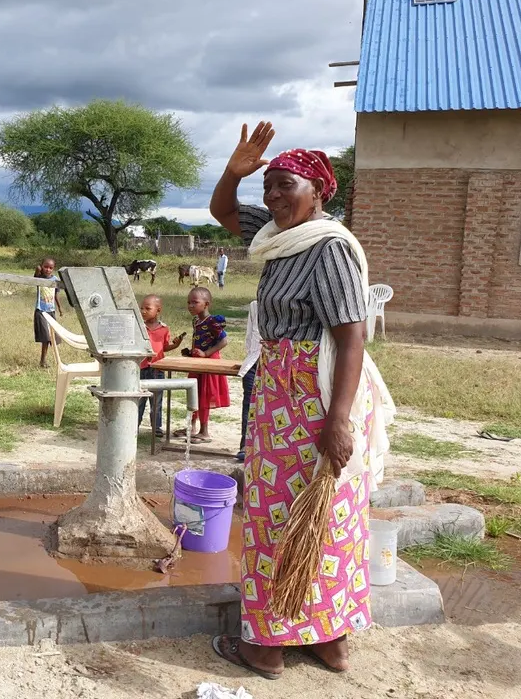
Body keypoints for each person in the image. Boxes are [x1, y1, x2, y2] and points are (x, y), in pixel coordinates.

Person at [207, 122, 394, 680]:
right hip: (279, 396)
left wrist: (339, 421)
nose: (272, 197)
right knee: (307, 514)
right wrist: (234, 172)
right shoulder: (278, 236)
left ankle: (267, 648)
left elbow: (351, 338)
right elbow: (223, 211)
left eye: (285, 185)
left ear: (317, 191)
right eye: (268, 187)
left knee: (302, 514)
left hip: (313, 398)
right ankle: (326, 642)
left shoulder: (329, 249)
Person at [175, 287, 230, 442]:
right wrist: (190, 352)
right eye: (188, 302)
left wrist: (206, 353)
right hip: (197, 362)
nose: (190, 306)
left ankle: (204, 432)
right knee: (193, 393)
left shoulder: (213, 321)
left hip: (209, 363)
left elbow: (224, 341)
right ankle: (191, 427)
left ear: (206, 304)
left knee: (204, 396)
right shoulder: (196, 321)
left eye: (195, 302)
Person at [138, 295, 184, 435]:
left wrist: (175, 345)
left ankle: (156, 427)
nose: (143, 311)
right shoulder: (139, 327)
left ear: (158, 310)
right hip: (141, 367)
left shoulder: (164, 329)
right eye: (141, 308)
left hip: (158, 369)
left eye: (147, 308)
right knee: (139, 399)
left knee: (156, 400)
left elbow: (164, 347)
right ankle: (134, 424)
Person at [236, 300, 261, 462]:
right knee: (249, 404)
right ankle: (245, 446)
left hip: (278, 362)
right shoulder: (255, 306)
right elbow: (249, 337)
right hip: (254, 362)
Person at [33, 258, 63, 368]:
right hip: (41, 310)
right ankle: (42, 361)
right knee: (45, 338)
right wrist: (38, 269)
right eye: (45, 267)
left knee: (53, 338)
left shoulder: (55, 280)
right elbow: (36, 273)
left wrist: (60, 308)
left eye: (50, 268)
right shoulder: (39, 278)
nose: (48, 269)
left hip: (51, 311)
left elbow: (56, 295)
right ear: (42, 267)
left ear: (53, 269)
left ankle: (57, 361)